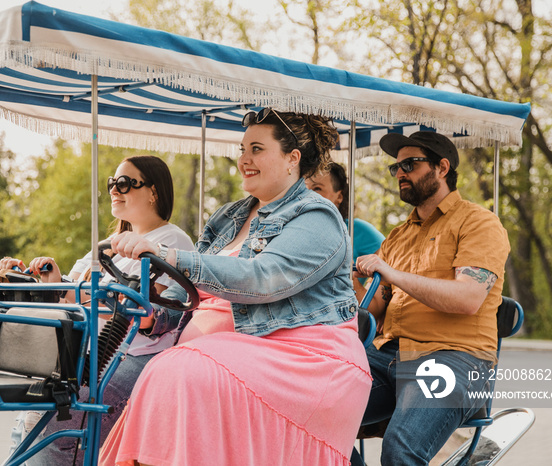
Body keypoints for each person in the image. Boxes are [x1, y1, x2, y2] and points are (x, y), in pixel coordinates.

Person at [99, 108, 372, 466]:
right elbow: (185, 296)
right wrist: (153, 314)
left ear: (292, 159)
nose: (244, 159)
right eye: (242, 149)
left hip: (304, 357)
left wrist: (170, 255)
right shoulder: (229, 216)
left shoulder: (317, 216)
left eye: (257, 149)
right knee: (150, 373)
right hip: (216, 356)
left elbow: (262, 279)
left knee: (177, 371)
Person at [0, 155, 194, 465]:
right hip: (85, 350)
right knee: (33, 413)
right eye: (111, 184)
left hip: (132, 354)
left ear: (153, 191)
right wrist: (53, 278)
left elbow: (157, 310)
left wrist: (98, 299)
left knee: (60, 420)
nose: (115, 190)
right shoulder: (106, 245)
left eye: (125, 183)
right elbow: (72, 298)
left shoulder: (172, 241)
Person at [349, 131, 511, 466]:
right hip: (387, 354)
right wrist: (351, 281)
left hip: (457, 358)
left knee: (400, 449)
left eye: (410, 164)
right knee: (311, 416)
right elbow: (377, 309)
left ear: (441, 167)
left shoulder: (478, 222)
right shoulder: (398, 236)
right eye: (396, 167)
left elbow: (468, 298)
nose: (400, 173)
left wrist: (392, 274)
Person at [305, 161, 385, 286]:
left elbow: (390, 259)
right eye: (304, 189)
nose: (307, 195)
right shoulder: (295, 230)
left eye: (317, 188)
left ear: (339, 196)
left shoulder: (356, 230)